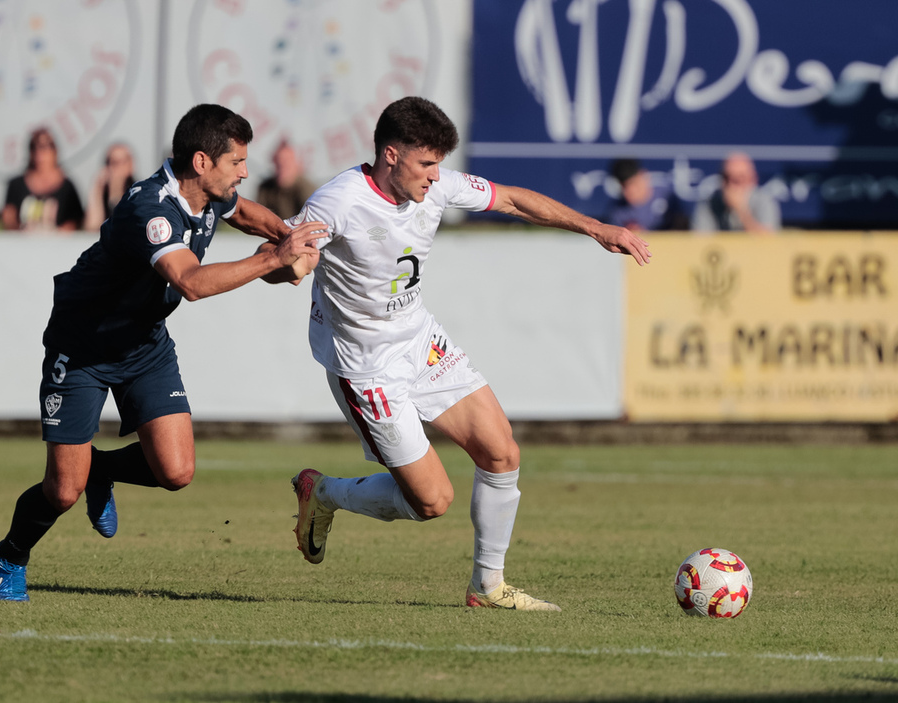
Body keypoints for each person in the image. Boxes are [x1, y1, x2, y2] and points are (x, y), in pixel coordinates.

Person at [281, 96, 650, 611]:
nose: (436, 176)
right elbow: (287, 255)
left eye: (439, 163)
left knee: (501, 451)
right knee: (431, 502)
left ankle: (488, 587)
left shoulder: (439, 185)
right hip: (366, 367)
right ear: (391, 155)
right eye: (426, 163)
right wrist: (293, 264)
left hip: (419, 339)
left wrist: (597, 228)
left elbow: (513, 201)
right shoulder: (337, 202)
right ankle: (323, 493)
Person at [0, 104, 325, 601]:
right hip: (82, 347)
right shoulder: (152, 209)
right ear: (202, 162)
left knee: (176, 472)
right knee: (62, 490)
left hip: (145, 345)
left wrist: (287, 236)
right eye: (237, 163)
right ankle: (10, 554)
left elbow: (247, 214)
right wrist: (274, 258)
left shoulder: (212, 194)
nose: (245, 172)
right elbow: (190, 282)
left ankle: (101, 470)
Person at [2, 127, 85, 231]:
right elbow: (9, 220)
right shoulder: (16, 185)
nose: (40, 153)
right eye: (34, 147)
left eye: (46, 146)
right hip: (23, 244)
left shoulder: (67, 187)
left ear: (55, 150)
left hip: (58, 245)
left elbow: (74, 222)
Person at [692, 152, 781, 234]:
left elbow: (768, 242)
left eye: (739, 179)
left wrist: (741, 211)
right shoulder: (708, 203)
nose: (731, 184)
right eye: (726, 178)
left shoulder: (764, 200)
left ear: (753, 179)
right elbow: (700, 242)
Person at [605, 158, 688, 231]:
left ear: (644, 175)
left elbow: (683, 229)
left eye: (634, 183)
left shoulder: (668, 197)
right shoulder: (618, 211)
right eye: (624, 186)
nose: (630, 191)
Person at [255, 139, 316, 219]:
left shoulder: (307, 190)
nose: (282, 167)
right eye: (278, 162)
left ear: (297, 163)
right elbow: (259, 219)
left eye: (287, 162)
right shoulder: (266, 188)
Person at [84, 142, 136, 231]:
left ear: (130, 165)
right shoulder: (103, 193)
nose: (117, 168)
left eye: (121, 162)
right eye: (112, 162)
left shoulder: (138, 192)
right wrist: (97, 191)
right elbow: (92, 228)